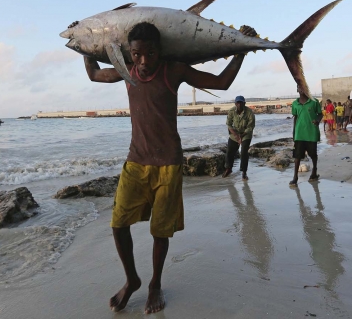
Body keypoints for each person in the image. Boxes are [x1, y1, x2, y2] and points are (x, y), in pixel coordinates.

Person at [82, 21, 257, 314]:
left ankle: (155, 284)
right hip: (135, 161)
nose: (143, 61)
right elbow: (93, 74)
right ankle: (132, 279)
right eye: (137, 54)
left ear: (159, 51)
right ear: (130, 53)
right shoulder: (125, 71)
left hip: (168, 164)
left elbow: (222, 83)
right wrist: (84, 41)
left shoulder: (173, 70)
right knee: (118, 224)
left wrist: (242, 51)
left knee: (160, 231)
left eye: (150, 53)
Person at [289, 85, 323, 187]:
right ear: (297, 90)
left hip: (311, 133)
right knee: (297, 156)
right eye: (299, 87)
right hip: (300, 134)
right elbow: (295, 118)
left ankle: (314, 171)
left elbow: (320, 114)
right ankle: (295, 177)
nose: (301, 89)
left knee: (313, 154)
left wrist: (317, 121)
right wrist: (294, 133)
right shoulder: (295, 104)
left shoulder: (314, 101)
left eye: (303, 87)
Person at [222, 96, 255, 180]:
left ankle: (244, 172)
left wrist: (242, 136)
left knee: (244, 151)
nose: (239, 105)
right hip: (235, 133)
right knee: (229, 150)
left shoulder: (249, 112)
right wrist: (236, 136)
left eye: (241, 103)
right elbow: (229, 124)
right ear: (235, 103)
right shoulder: (231, 111)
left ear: (244, 103)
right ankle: (228, 168)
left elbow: (250, 127)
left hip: (246, 133)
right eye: (238, 103)